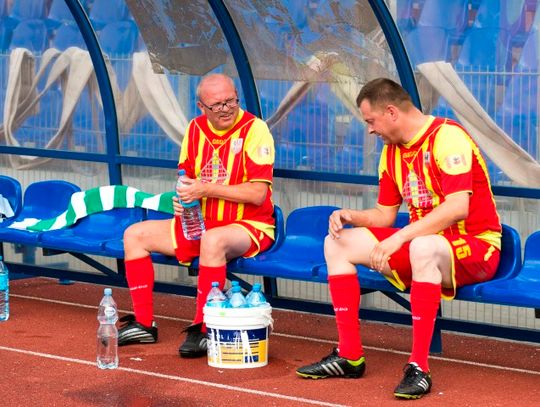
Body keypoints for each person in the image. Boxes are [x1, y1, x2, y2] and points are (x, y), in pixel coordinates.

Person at [296, 78, 501, 399]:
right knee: (336, 242)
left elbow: (458, 207)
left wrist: (400, 238)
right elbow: (384, 215)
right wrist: (351, 215)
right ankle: (350, 356)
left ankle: (419, 367)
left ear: (391, 112)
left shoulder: (447, 136)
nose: (369, 130)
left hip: (477, 247)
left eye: (371, 121)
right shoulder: (390, 152)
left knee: (421, 246)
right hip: (423, 245)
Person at [117, 73, 276, 358]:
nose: (226, 109)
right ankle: (144, 324)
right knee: (134, 235)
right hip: (201, 222)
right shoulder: (194, 128)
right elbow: (186, 179)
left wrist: (206, 189)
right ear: (201, 106)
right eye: (217, 105)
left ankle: (204, 328)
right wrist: (181, 198)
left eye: (231, 101)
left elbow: (258, 194)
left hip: (249, 226)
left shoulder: (255, 129)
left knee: (212, 240)